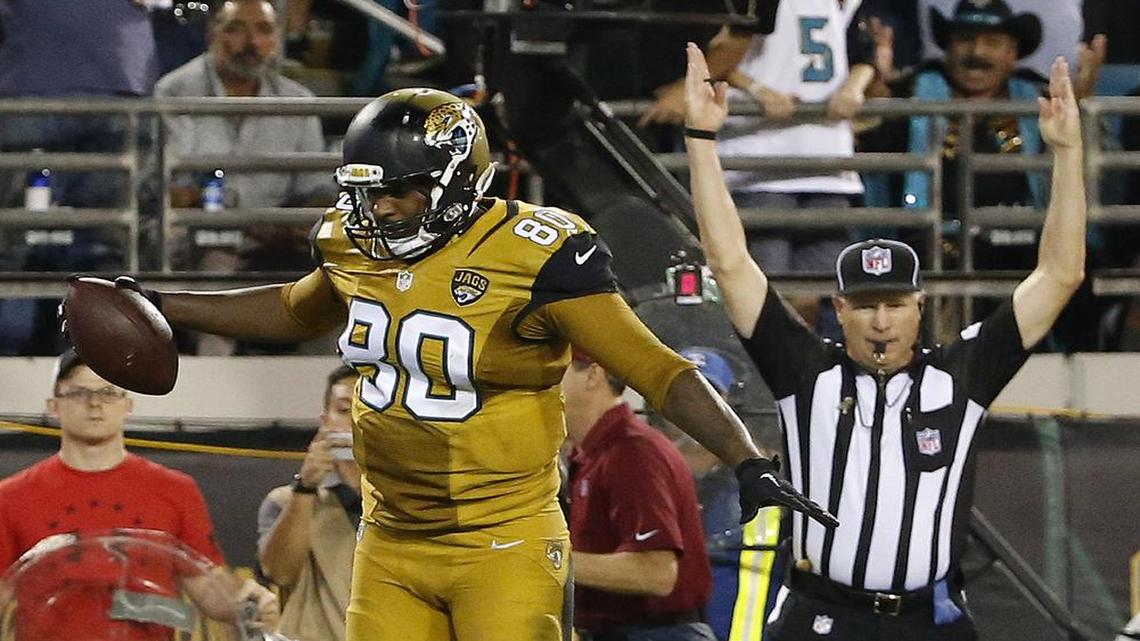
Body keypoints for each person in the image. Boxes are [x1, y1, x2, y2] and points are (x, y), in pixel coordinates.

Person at [63, 87, 836, 641]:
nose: (379, 210)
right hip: (393, 537)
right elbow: (296, 309)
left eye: (398, 192)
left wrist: (748, 458)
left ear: (457, 183)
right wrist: (171, 300)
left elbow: (661, 367)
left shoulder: (536, 255)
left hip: (502, 540)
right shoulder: (353, 241)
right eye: (370, 192)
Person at [684, 41, 1086, 640]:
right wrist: (700, 140)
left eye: (895, 305)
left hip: (929, 620)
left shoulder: (962, 374)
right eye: (866, 305)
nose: (881, 321)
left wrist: (1068, 151)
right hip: (822, 615)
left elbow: (1060, 274)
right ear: (839, 309)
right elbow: (730, 261)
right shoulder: (803, 371)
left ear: (918, 307)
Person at [0, 350, 279, 638]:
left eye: (108, 392)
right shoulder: (10, 497)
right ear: (53, 405)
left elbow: (207, 587)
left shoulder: (175, 489)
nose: (95, 403)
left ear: (128, 404)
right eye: (78, 392)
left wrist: (248, 600)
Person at [641, 0, 876, 334]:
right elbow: (716, 51)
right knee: (761, 294)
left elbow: (863, 51)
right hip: (756, 162)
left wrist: (854, 87)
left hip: (828, 162)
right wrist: (756, 89)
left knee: (821, 297)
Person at [154, 0, 334, 270]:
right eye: (236, 29)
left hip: (276, 239)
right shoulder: (175, 92)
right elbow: (172, 191)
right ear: (212, 34)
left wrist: (290, 224)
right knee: (217, 262)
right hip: (201, 234)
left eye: (264, 30)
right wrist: (240, 220)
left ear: (276, 38)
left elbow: (316, 189)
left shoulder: (298, 101)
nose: (252, 42)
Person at [562, 348, 716, 641]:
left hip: (658, 634)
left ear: (593, 374)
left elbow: (655, 573)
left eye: (557, 366)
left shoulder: (633, 452)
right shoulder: (594, 453)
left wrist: (547, 562)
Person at [257, 365, 361, 641]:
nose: (356, 421)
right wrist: (305, 486)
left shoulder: (407, 504)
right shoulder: (284, 501)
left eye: (367, 410)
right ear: (325, 421)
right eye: (344, 409)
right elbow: (280, 573)